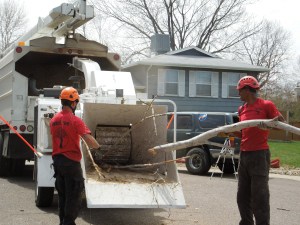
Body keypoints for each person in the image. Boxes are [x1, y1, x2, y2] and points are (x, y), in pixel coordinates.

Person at [235, 76, 284, 225]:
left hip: (259, 155)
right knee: (242, 196)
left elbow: (281, 123)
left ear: (247, 90)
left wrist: (268, 125)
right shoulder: (241, 109)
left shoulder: (266, 105)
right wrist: (231, 133)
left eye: (240, 91)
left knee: (259, 197)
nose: (239, 94)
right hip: (244, 155)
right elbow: (243, 132)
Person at [50, 87, 101, 225]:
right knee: (74, 195)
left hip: (58, 163)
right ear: (73, 103)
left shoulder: (53, 120)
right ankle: (68, 223)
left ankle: (63, 222)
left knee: (63, 195)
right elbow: (89, 140)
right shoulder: (75, 120)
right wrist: (99, 147)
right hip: (71, 163)